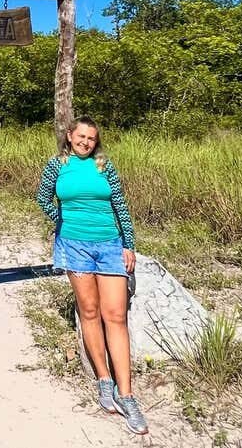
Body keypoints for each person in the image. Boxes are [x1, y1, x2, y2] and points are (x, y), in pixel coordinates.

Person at [36, 115, 148, 435]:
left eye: (91, 139)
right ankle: (104, 379)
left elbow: (121, 207)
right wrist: (62, 221)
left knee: (115, 315)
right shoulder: (56, 165)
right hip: (74, 247)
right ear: (70, 136)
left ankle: (126, 395)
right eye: (81, 136)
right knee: (89, 311)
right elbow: (43, 198)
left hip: (109, 244)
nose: (86, 142)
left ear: (96, 142)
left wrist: (129, 245)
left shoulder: (104, 166)